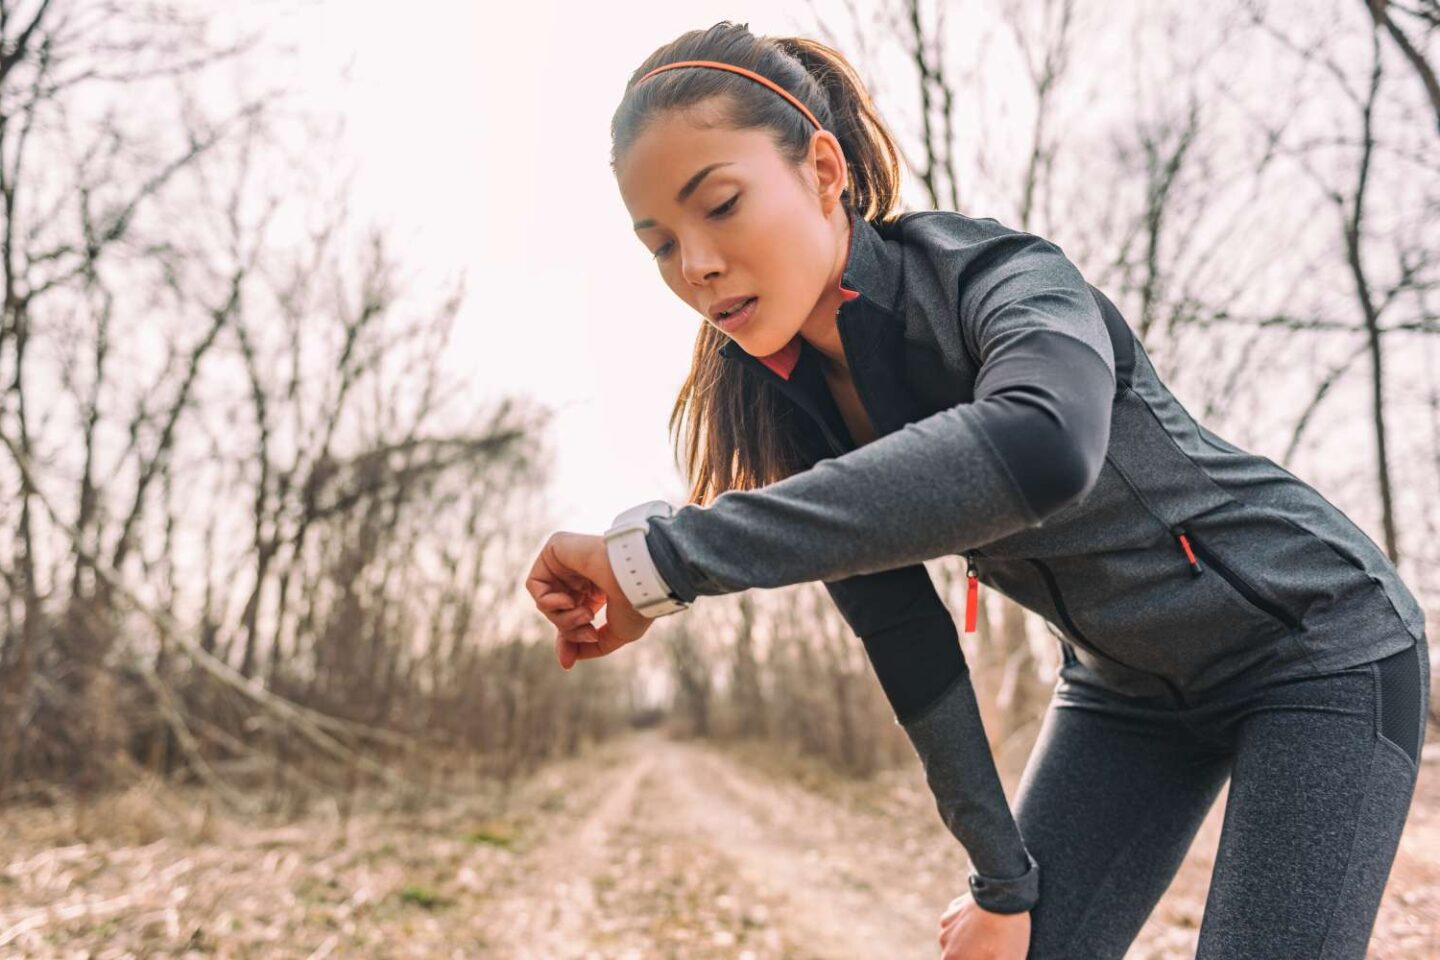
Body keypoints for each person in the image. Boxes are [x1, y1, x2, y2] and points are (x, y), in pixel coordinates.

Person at [523, 20, 1430, 960]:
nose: (696, 266)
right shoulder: (788, 406)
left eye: (720, 205)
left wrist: (658, 562)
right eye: (660, 244)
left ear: (824, 171)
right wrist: (1001, 881)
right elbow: (904, 637)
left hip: (1314, 644)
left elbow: (1041, 449)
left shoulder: (998, 280)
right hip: (1125, 690)